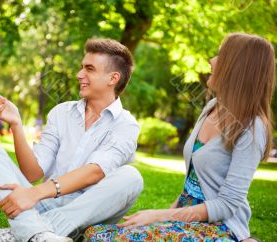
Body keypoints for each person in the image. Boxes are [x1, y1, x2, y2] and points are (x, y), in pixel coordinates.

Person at [84, 33, 275, 241]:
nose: (211, 61)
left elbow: (228, 204)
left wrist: (160, 216)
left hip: (219, 228)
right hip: (185, 221)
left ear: (237, 68)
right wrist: (161, 222)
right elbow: (190, 186)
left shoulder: (252, 128)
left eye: (220, 55)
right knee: (96, 235)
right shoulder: (212, 107)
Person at [0, 39, 144, 242]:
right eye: (81, 67)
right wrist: (16, 124)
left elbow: (94, 172)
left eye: (89, 69)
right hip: (43, 203)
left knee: (132, 177)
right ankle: (41, 236)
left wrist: (34, 194)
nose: (79, 74)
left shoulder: (126, 124)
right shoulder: (61, 113)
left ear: (113, 78)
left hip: (87, 212)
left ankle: (22, 234)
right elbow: (33, 173)